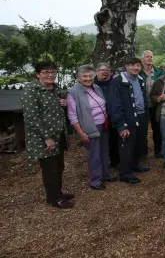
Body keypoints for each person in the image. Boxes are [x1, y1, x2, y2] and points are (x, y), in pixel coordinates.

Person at [21, 61, 73, 208]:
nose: (50, 75)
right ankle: (54, 198)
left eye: (53, 72)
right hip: (44, 138)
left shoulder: (55, 88)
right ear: (38, 74)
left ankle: (58, 192)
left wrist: (64, 102)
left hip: (59, 135)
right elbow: (31, 118)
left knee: (59, 166)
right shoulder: (31, 90)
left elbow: (66, 95)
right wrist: (47, 138)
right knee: (50, 169)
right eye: (46, 72)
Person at [67, 65, 114, 190]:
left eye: (90, 76)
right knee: (95, 154)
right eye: (84, 76)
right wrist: (81, 133)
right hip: (89, 127)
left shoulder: (96, 87)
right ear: (78, 77)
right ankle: (95, 181)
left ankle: (105, 175)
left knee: (104, 151)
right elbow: (72, 115)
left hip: (103, 124)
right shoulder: (73, 92)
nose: (88, 78)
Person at [109, 56, 151, 184]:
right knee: (127, 145)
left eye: (138, 65)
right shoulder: (118, 82)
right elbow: (114, 105)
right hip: (128, 118)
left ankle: (134, 165)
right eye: (132, 65)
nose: (135, 67)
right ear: (126, 67)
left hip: (142, 115)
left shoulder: (140, 79)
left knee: (140, 143)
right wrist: (121, 125)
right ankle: (125, 173)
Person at [139, 50, 164, 158]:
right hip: (142, 106)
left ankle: (158, 150)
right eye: (147, 56)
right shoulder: (138, 72)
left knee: (157, 128)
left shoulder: (159, 72)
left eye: (151, 56)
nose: (149, 58)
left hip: (156, 105)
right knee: (142, 129)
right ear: (142, 59)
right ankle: (143, 152)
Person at [94, 62, 119, 169]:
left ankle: (115, 161)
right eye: (102, 70)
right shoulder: (91, 85)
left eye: (107, 70)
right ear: (96, 72)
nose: (105, 72)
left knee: (114, 140)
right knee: (101, 142)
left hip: (114, 116)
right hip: (98, 118)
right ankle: (101, 163)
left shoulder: (115, 83)